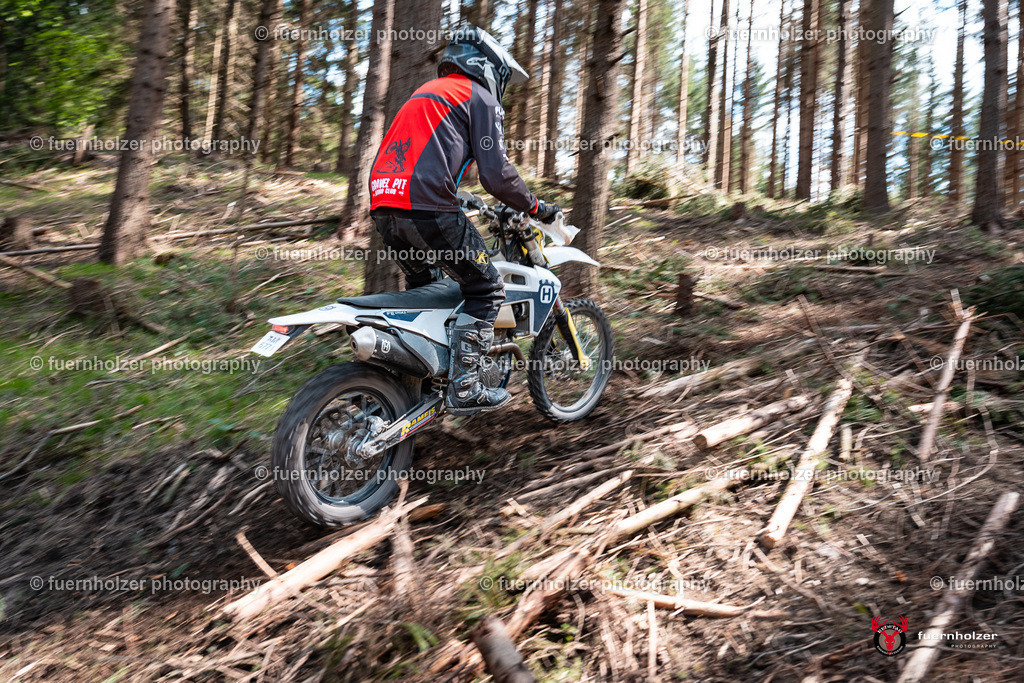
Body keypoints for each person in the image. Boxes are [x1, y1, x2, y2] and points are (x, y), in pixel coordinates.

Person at [368, 26, 560, 415]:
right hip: (428, 210)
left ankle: (416, 381)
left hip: (384, 205)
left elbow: (421, 154)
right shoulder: (480, 98)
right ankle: (466, 386)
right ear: (488, 67)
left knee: (426, 288)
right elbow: (497, 175)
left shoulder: (424, 93)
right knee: (487, 287)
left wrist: (455, 193)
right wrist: (537, 207)